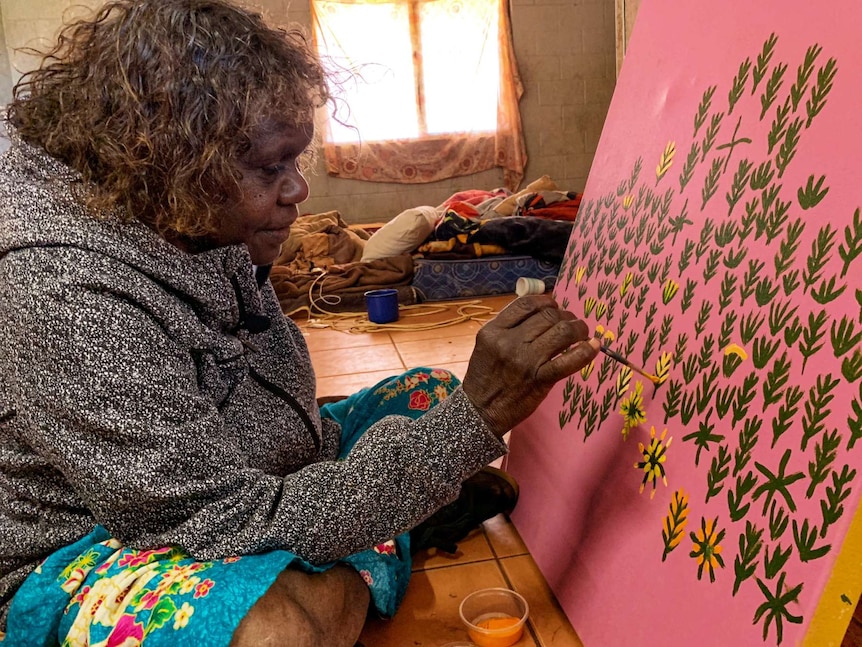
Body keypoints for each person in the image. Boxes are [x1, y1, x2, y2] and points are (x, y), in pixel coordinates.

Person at [0, 1, 599, 645]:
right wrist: (472, 423)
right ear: (171, 165)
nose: (297, 192)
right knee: (276, 633)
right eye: (269, 169)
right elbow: (214, 519)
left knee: (431, 393)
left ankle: (370, 523)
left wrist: (445, 427)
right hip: (96, 542)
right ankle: (379, 537)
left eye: (295, 162)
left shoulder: (177, 207)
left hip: (241, 468)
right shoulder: (64, 290)